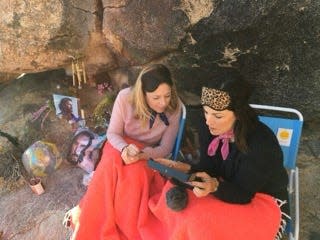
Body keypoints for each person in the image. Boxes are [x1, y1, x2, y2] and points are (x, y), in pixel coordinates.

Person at [155, 68, 289, 240]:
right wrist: (184, 168)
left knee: (199, 222)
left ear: (238, 115)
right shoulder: (210, 128)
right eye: (205, 112)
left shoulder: (261, 144)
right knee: (176, 195)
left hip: (264, 201)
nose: (208, 121)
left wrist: (214, 186)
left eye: (218, 116)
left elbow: (243, 194)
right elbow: (209, 168)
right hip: (228, 185)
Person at [64, 64, 182, 239]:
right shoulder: (125, 98)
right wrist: (125, 149)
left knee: (135, 177)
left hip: (148, 153)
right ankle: (89, 225)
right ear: (143, 94)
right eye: (156, 97)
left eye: (167, 95)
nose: (163, 102)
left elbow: (165, 148)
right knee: (111, 165)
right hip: (119, 145)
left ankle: (125, 229)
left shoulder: (175, 108)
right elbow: (113, 133)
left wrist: (142, 155)